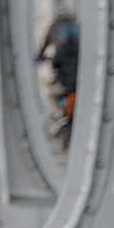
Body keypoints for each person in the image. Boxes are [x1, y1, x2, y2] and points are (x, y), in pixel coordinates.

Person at [39, 8, 81, 145]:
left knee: (51, 94)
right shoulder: (81, 48)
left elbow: (55, 63)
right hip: (79, 85)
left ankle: (59, 114)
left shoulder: (62, 48)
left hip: (64, 85)